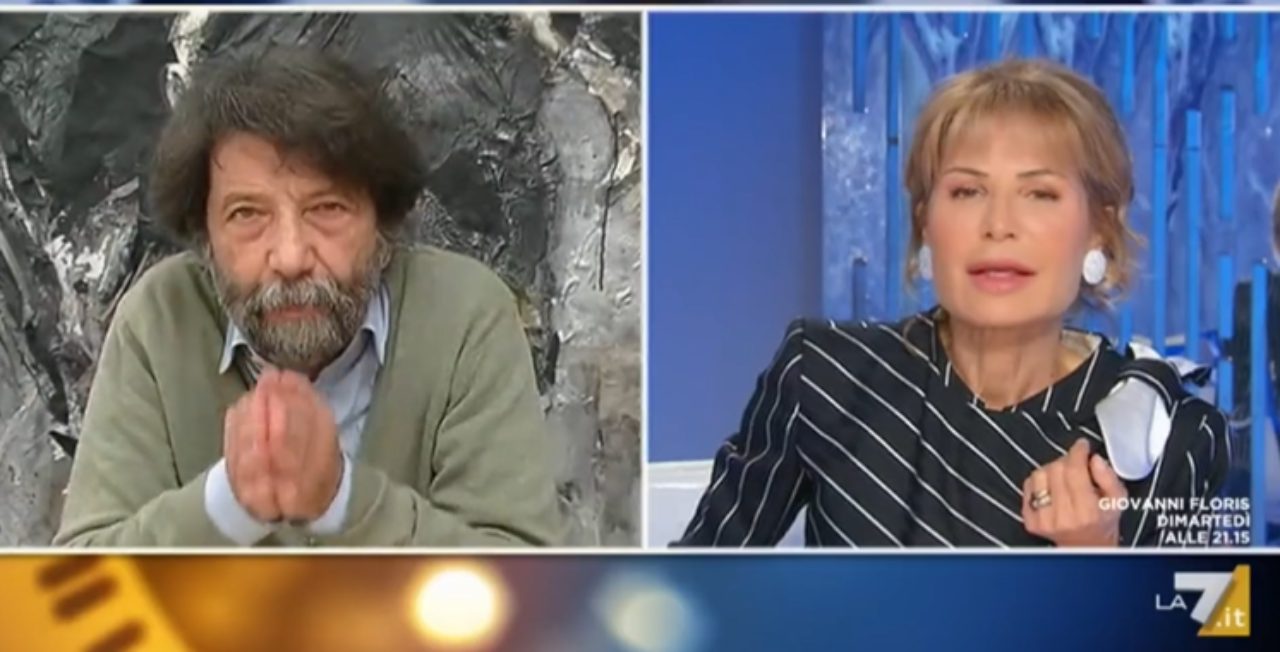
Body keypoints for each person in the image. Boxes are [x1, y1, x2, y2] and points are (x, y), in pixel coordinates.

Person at [677, 59, 1232, 548]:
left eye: (1039, 193)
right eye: (967, 191)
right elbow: (693, 595)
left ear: (1098, 231)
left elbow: (1206, 618)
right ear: (926, 223)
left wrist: (1097, 560)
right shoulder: (825, 375)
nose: (998, 225)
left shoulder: (1171, 436)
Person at [54, 47, 565, 547]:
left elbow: (523, 582)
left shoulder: (466, 316)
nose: (291, 257)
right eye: (247, 215)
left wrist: (341, 501)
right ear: (205, 237)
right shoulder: (158, 320)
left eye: (327, 208)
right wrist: (227, 504)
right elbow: (83, 583)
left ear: (382, 224)